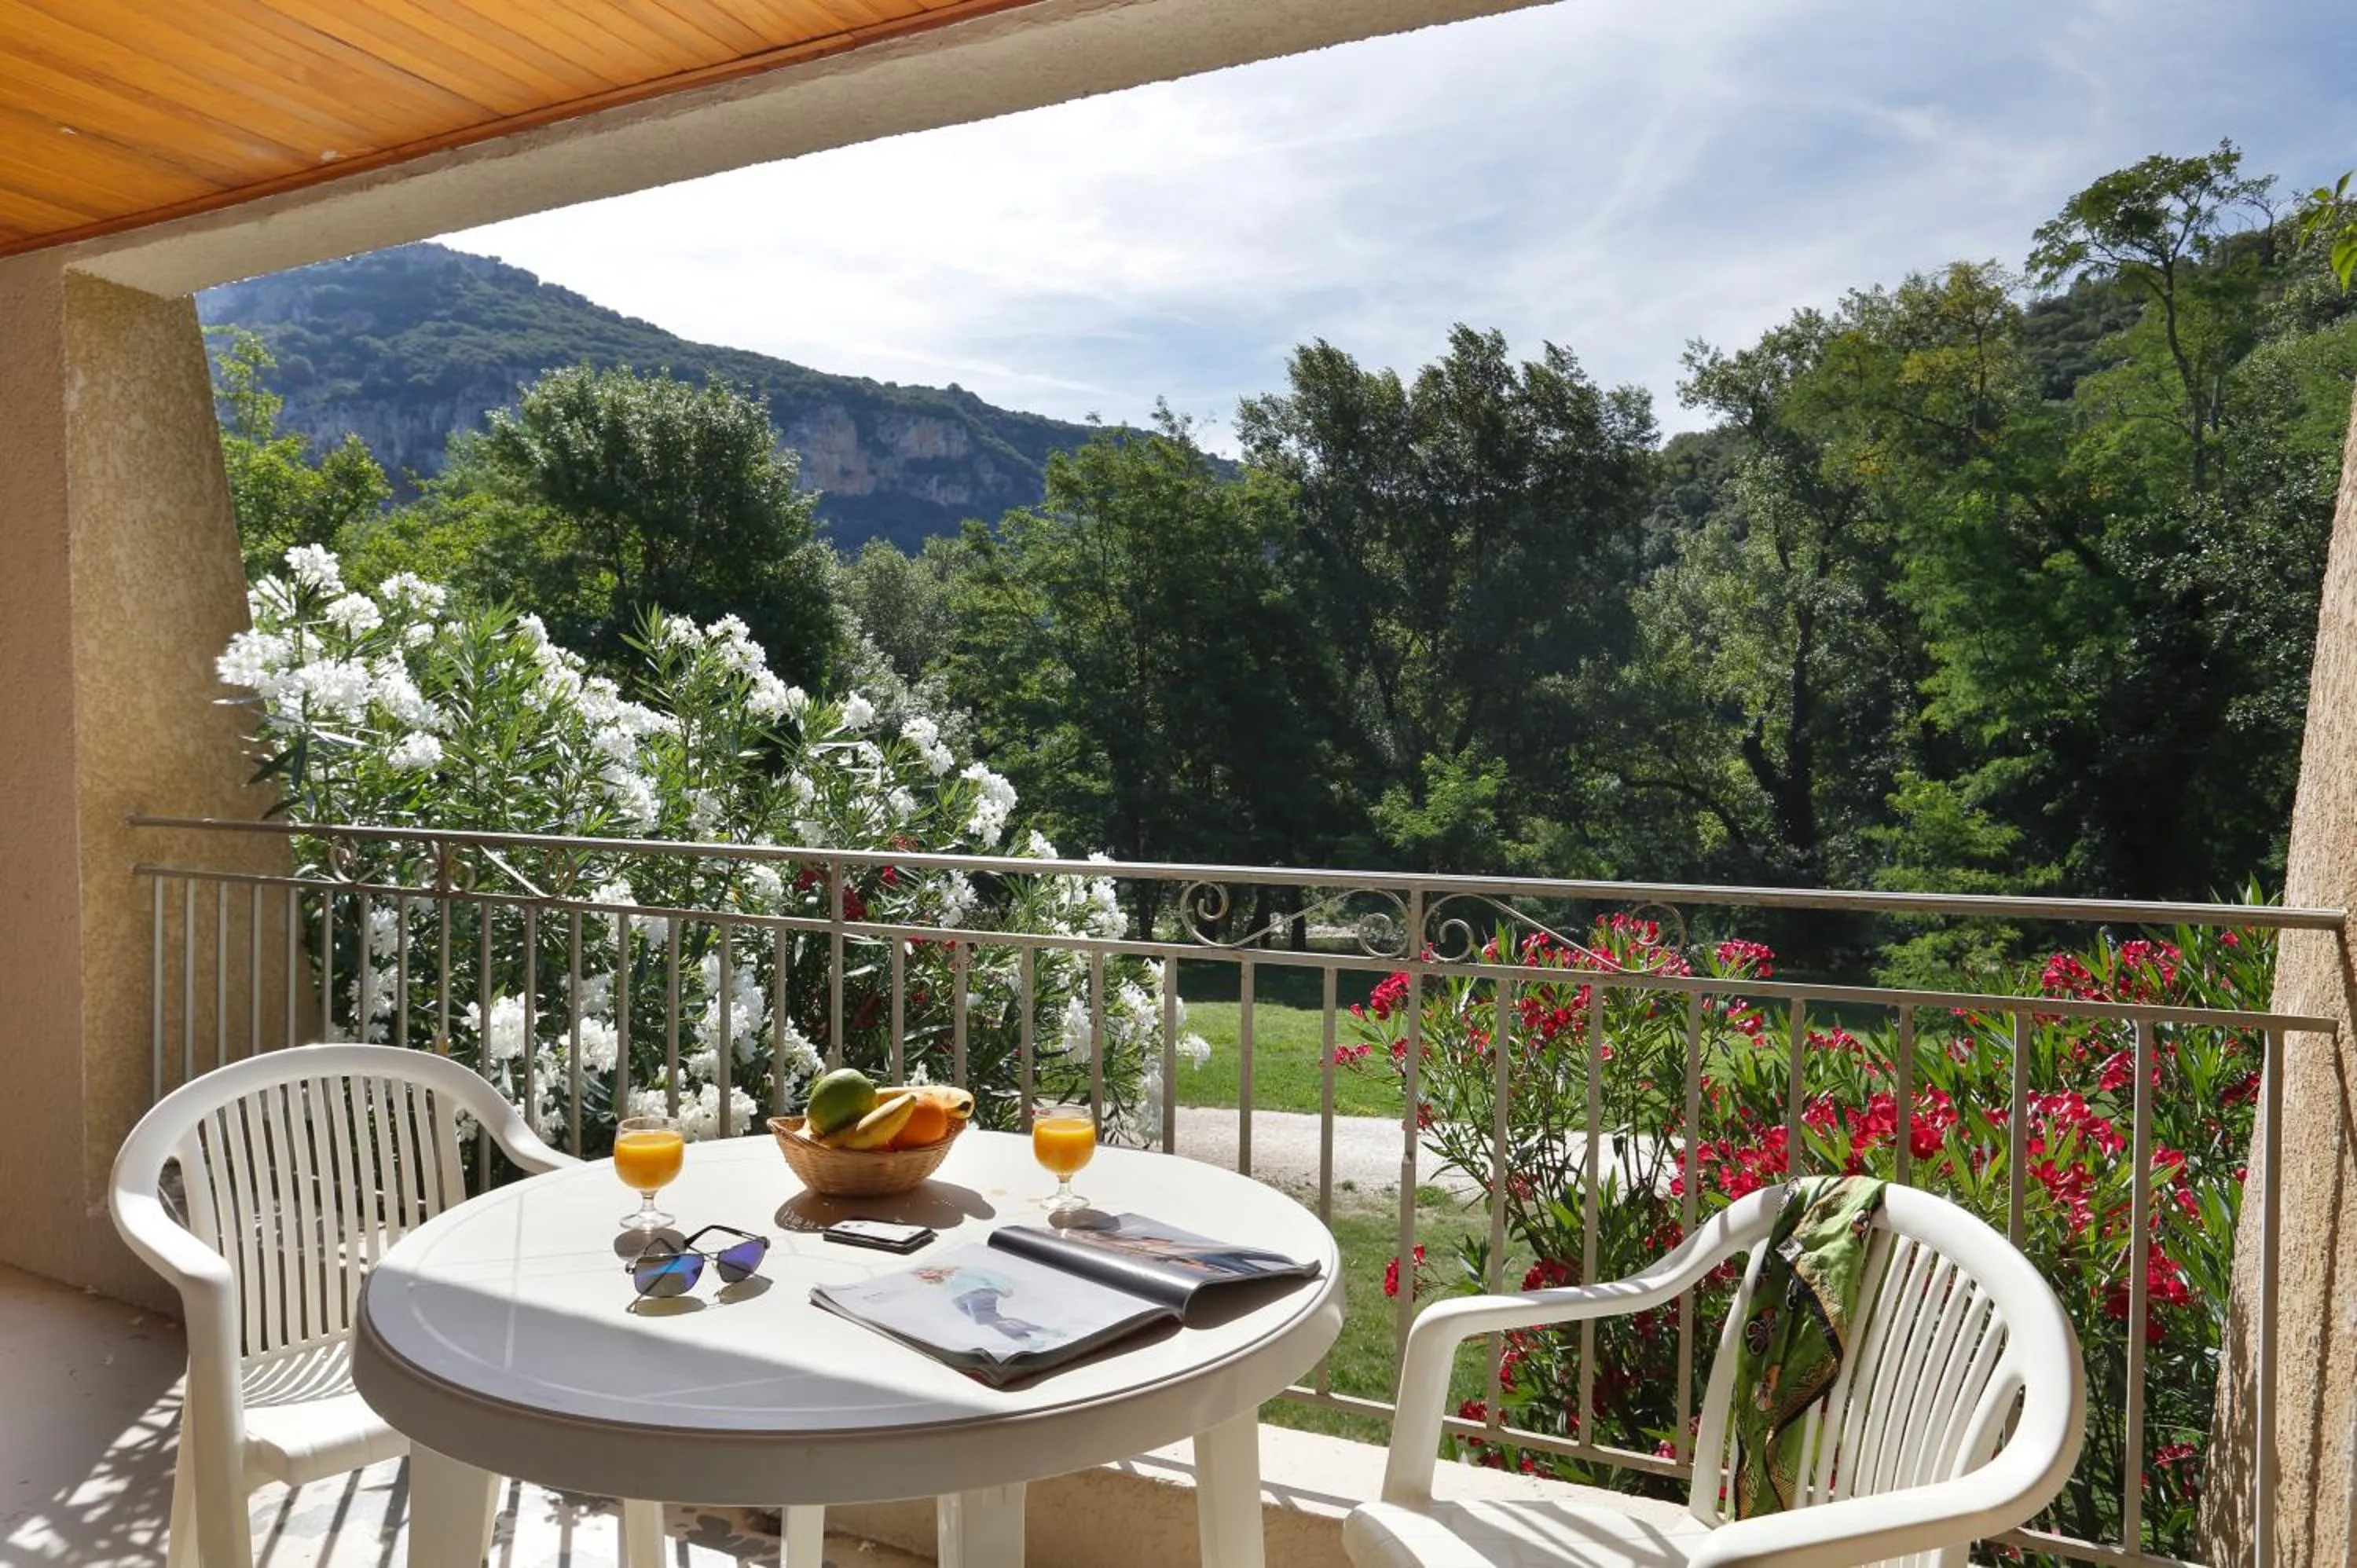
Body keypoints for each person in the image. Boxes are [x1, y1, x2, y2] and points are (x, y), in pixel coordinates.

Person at [912, 1265, 1050, 1343]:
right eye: (921, 1275)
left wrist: (1002, 1287)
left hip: (977, 1293)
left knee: (985, 1319)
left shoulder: (959, 1271)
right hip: (960, 1301)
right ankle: (1035, 1334)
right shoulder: (941, 1282)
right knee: (993, 1321)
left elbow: (987, 1276)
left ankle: (1031, 1337)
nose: (926, 1275)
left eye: (926, 1271)